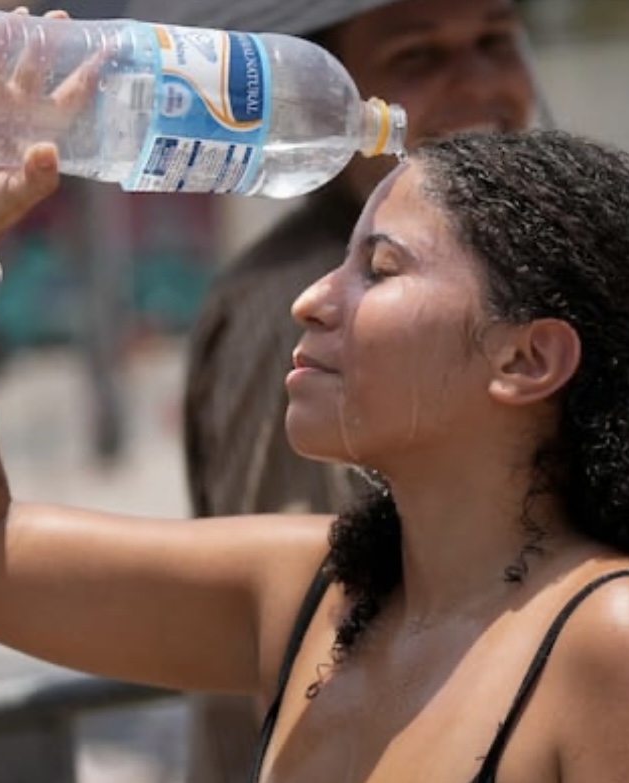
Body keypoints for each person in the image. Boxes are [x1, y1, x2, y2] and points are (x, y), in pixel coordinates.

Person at [0, 32, 629, 773]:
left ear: (528, 357)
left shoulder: (623, 641)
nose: (310, 299)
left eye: (379, 268)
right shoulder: (313, 593)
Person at [179, 2, 537, 776]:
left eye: (494, 40)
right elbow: (317, 632)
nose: (478, 84)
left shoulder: (501, 273)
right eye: (416, 57)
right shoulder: (302, 312)